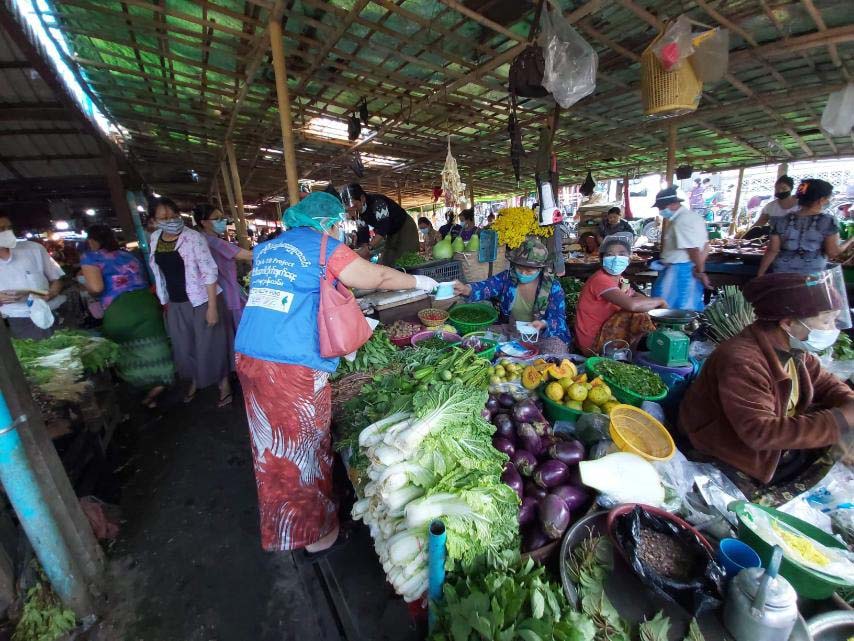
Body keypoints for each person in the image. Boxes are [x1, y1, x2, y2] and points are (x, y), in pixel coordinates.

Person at [234, 192, 438, 554]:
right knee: (304, 448)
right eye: (336, 224)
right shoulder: (321, 245)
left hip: (251, 355)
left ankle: (288, 528)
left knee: (272, 448)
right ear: (326, 223)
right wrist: (420, 283)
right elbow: (373, 276)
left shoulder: (270, 247)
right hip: (289, 365)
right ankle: (318, 536)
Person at [680, 271, 854, 486]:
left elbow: (826, 384)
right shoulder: (743, 361)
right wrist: (842, 419)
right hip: (730, 454)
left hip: (770, 448)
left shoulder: (796, 350)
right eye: (827, 321)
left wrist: (848, 402)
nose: (833, 329)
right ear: (788, 323)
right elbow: (760, 433)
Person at [148, 197, 233, 408]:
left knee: (211, 345)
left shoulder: (194, 238)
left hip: (203, 299)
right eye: (164, 218)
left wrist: (212, 308)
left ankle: (224, 385)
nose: (171, 221)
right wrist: (164, 300)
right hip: (176, 302)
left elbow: (209, 272)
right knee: (185, 346)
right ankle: (196, 379)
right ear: (153, 220)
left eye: (174, 216)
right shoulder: (155, 239)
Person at [79, 225, 174, 407]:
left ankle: (144, 391)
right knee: (156, 346)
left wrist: (87, 288)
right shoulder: (127, 255)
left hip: (120, 309)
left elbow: (97, 288)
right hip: (146, 303)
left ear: (92, 240)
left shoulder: (90, 257)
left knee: (127, 353)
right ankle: (162, 380)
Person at [452, 236, 570, 352]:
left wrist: (543, 324)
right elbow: (487, 286)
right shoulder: (507, 278)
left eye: (529, 271)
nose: (523, 273)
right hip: (512, 330)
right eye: (519, 268)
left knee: (555, 351)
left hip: (543, 335)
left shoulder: (552, 287)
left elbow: (558, 317)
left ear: (540, 269)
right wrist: (465, 289)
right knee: (473, 339)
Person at [575, 235, 667, 355]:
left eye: (622, 254)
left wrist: (650, 304)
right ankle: (630, 353)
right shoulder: (600, 280)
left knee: (642, 310)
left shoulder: (620, 279)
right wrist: (660, 301)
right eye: (610, 255)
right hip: (593, 343)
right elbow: (632, 305)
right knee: (637, 314)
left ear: (629, 259)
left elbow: (635, 296)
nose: (616, 258)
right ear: (601, 259)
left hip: (605, 332)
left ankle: (633, 350)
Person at [757, 179, 844, 277]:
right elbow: (833, 252)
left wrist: (760, 274)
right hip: (811, 279)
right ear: (821, 200)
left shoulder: (781, 220)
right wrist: (850, 240)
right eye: (828, 198)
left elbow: (772, 250)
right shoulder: (828, 221)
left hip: (782, 276)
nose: (828, 201)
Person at [0, 215, 65, 339]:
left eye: (9, 228)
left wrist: (50, 294)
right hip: (14, 319)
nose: (7, 233)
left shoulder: (33, 249)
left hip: (49, 312)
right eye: (1, 229)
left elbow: (57, 279)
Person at [650, 186, 710, 311]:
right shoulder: (693, 217)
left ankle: (672, 328)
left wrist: (700, 271)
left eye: (662, 207)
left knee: (668, 307)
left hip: (678, 274)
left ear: (673, 204)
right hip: (685, 269)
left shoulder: (682, 221)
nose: (661, 211)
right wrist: (699, 269)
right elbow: (706, 246)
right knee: (685, 305)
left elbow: (693, 249)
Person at [193, 204, 253, 327]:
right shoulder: (212, 241)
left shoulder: (202, 239)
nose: (222, 222)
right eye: (217, 219)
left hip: (218, 289)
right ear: (204, 222)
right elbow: (246, 255)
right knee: (238, 325)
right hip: (224, 288)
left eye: (222, 218)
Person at [340, 183, 419, 266]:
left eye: (354, 205)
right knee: (386, 261)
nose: (352, 210)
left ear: (362, 198)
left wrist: (368, 248)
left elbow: (383, 228)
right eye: (349, 209)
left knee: (407, 258)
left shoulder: (377, 203)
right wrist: (364, 252)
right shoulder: (358, 214)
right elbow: (363, 235)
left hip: (405, 227)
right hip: (391, 232)